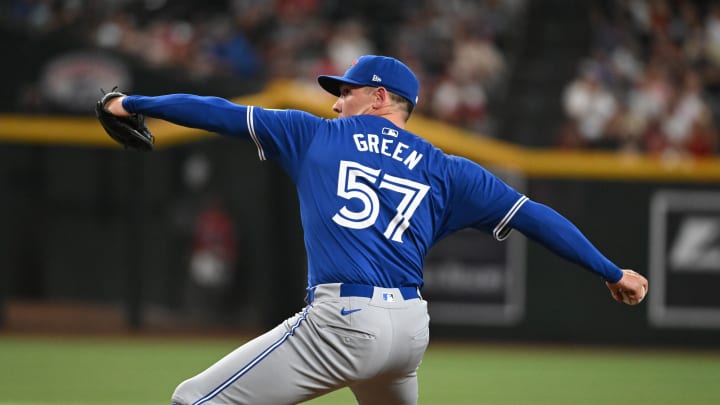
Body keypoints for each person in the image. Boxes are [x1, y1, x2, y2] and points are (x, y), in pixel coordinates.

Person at [103, 55, 648, 405]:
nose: (336, 101)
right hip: (409, 331)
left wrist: (128, 103)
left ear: (380, 97)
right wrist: (610, 270)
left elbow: (215, 111)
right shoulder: (448, 169)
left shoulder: (311, 134)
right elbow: (537, 217)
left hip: (342, 321)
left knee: (193, 401)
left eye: (348, 91)